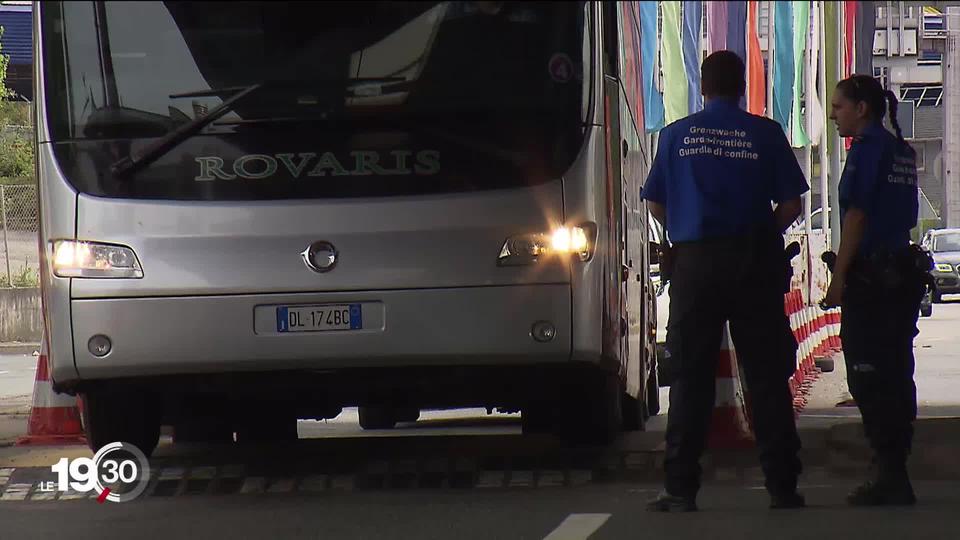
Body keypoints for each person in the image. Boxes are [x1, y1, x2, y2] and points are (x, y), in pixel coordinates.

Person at [640, 50, 808, 512]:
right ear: (743, 87)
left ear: (703, 87)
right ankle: (783, 486)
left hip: (695, 265)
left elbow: (654, 203)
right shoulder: (765, 133)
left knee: (690, 376)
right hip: (754, 263)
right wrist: (761, 236)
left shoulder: (675, 136)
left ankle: (680, 487)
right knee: (767, 375)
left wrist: (688, 226)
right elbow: (791, 204)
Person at [821, 74, 927, 506]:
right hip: (900, 275)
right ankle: (894, 465)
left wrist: (839, 277)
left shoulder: (868, 151)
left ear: (861, 108)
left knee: (868, 374)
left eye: (839, 106)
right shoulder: (901, 150)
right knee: (898, 371)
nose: (832, 114)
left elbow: (857, 217)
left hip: (873, 279)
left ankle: (888, 471)